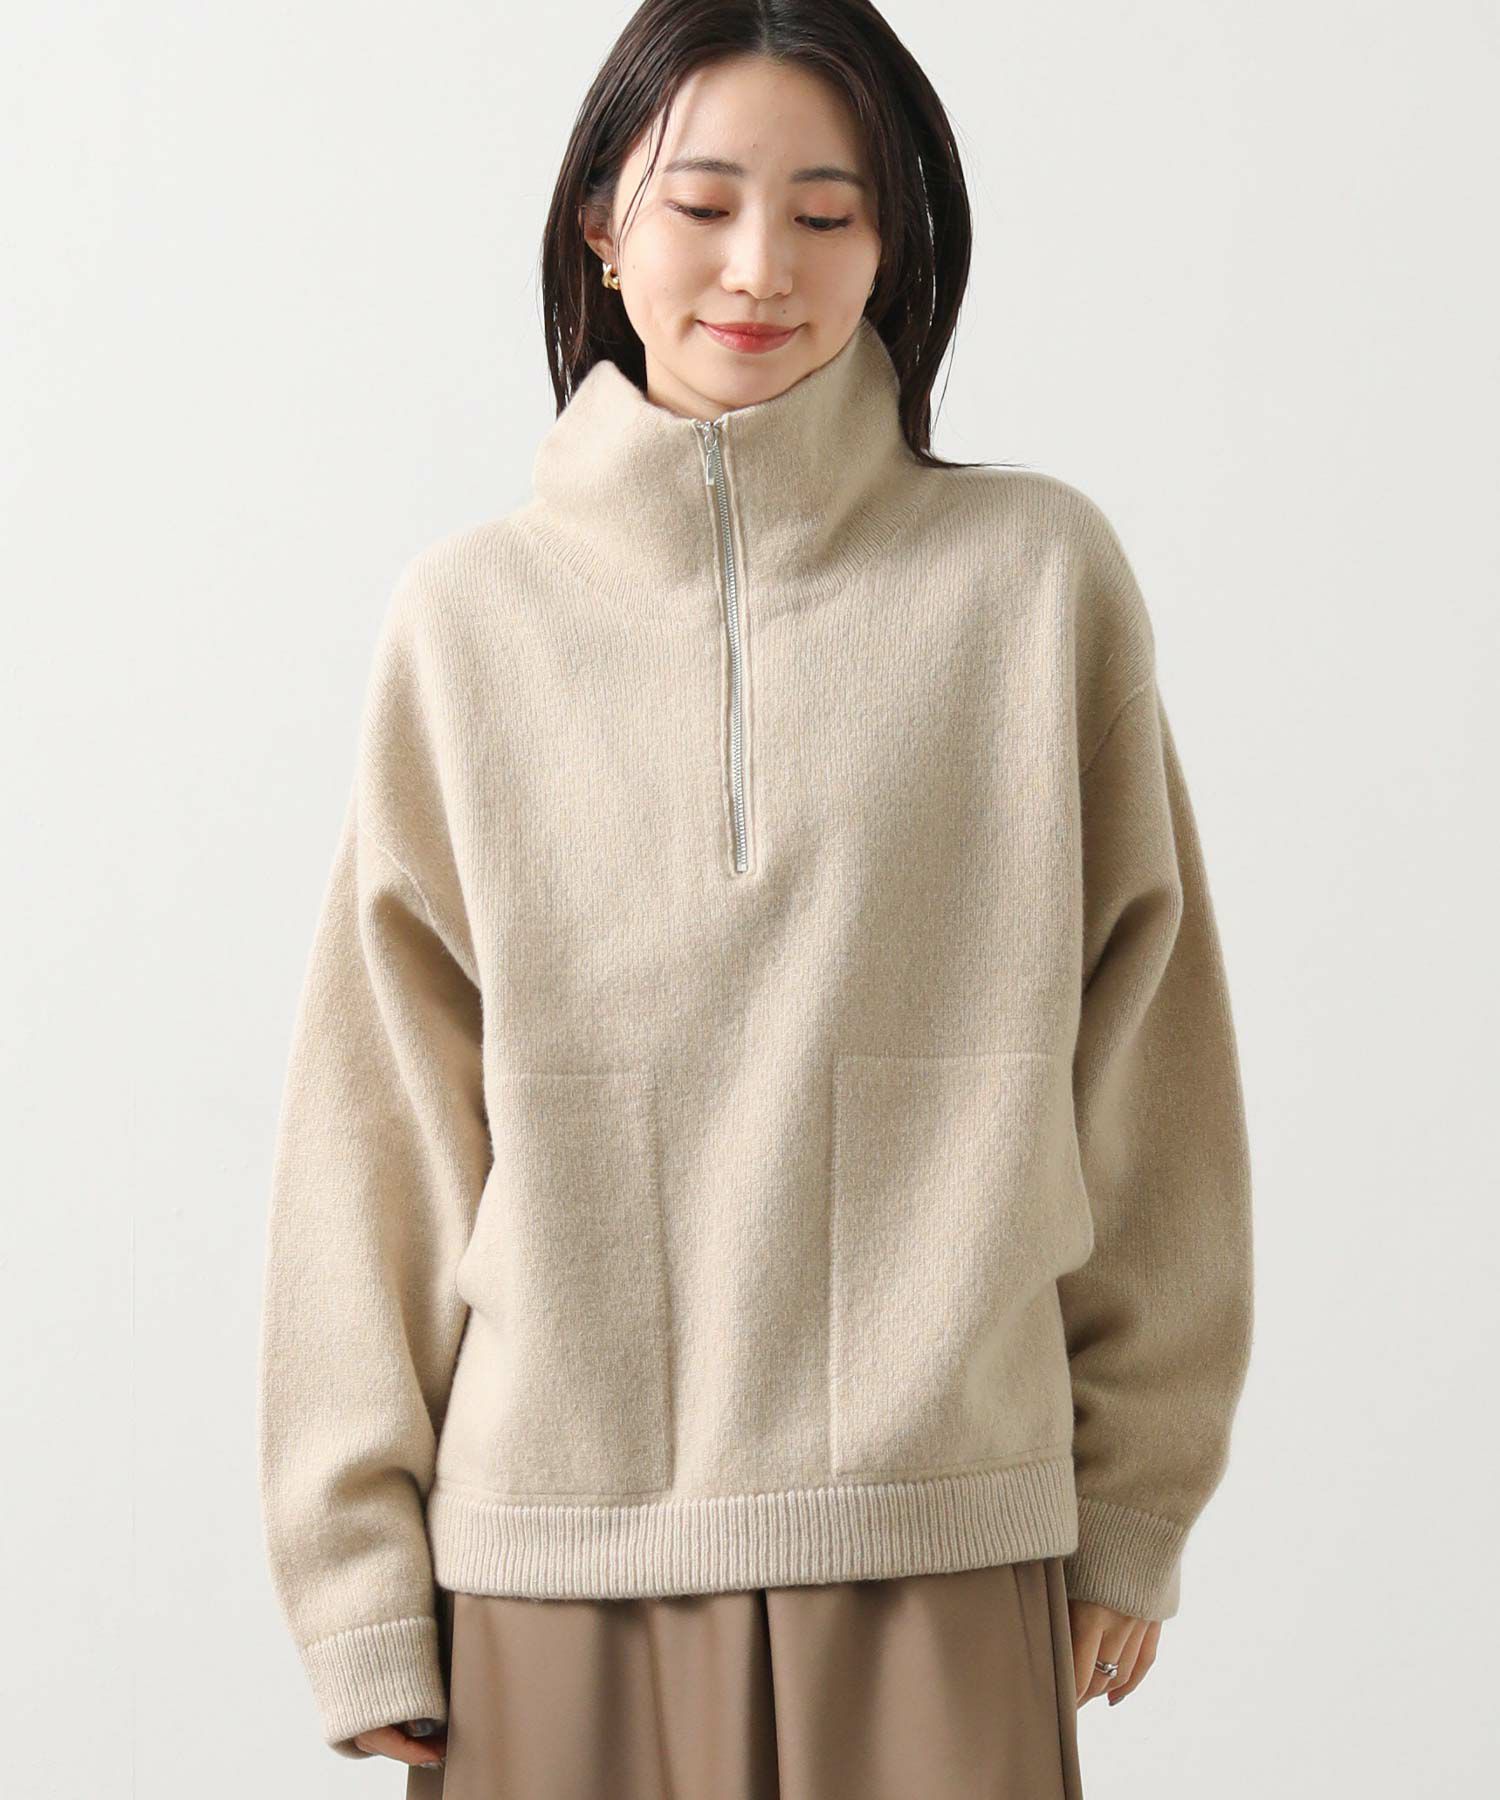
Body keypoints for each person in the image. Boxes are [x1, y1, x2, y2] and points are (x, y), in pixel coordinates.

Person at [255, 3, 1255, 1794]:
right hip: (549, 1566)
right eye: (703, 202)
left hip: (944, 1539)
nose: (760, 267)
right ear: (601, 221)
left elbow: (1153, 1070)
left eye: (826, 212)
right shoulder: (469, 624)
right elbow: (378, 1122)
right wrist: (355, 1580)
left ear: (894, 238)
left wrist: (1135, 1498)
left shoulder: (1038, 583)